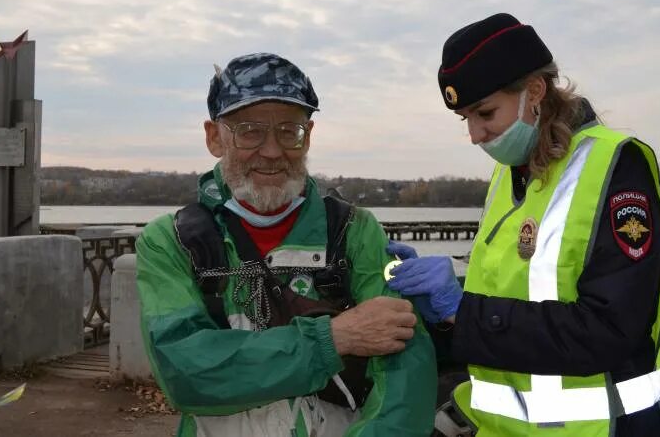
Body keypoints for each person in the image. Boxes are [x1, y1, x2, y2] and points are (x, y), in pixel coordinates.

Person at [386, 13, 660, 436]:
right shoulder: (508, 178)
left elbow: (609, 330)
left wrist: (464, 311)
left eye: (485, 113)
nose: (475, 134)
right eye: (465, 119)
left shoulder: (615, 167)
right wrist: (442, 311)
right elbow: (506, 297)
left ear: (536, 92)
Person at [135, 53, 436, 437]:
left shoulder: (354, 230)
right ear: (214, 137)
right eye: (249, 131)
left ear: (307, 136)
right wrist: (334, 338)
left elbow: (405, 372)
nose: (273, 151)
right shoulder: (172, 241)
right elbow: (185, 373)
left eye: (288, 131)